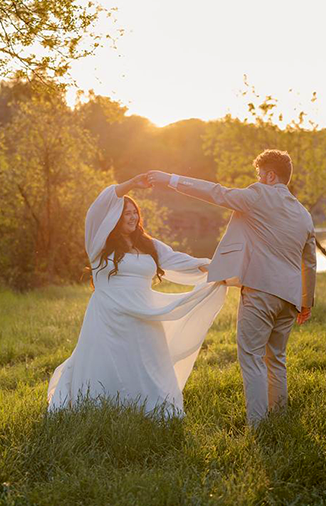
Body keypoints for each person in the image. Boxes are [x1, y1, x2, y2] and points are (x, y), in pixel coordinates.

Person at [147, 149, 317, 427]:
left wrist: (171, 179)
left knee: (251, 357)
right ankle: (279, 420)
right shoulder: (304, 214)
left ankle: (258, 426)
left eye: (260, 175)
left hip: (260, 291)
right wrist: (306, 302)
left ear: (270, 176)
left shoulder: (259, 194)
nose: (258, 179)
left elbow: (217, 193)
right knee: (276, 359)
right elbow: (309, 262)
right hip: (290, 298)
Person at [47, 173, 227, 418]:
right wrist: (131, 184)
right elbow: (99, 206)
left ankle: (151, 410)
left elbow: (179, 260)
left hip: (144, 314)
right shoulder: (99, 244)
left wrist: (218, 268)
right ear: (114, 217)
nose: (132, 217)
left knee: (148, 364)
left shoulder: (148, 245)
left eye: (135, 213)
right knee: (108, 363)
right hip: (109, 315)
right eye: (126, 213)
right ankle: (102, 411)